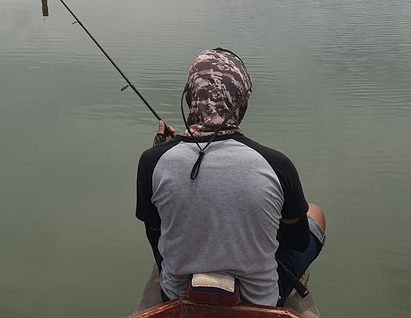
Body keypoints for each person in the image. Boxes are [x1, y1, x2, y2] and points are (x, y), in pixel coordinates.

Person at [135, 48, 326, 307]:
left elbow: (155, 231)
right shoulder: (277, 165)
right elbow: (298, 242)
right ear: (241, 103)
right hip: (259, 300)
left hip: (178, 294)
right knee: (315, 214)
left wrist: (164, 147)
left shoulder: (152, 161)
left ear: (190, 96)